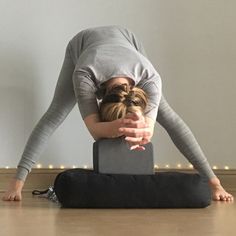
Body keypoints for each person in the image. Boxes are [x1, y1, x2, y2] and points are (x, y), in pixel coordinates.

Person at [2, 25, 233, 202]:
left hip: (128, 40)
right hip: (83, 45)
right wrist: (17, 181)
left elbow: (160, 128)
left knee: (168, 115)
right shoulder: (84, 74)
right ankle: (18, 180)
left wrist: (214, 184)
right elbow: (95, 129)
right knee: (56, 112)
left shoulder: (150, 79)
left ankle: (214, 180)